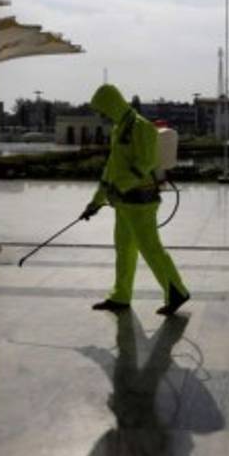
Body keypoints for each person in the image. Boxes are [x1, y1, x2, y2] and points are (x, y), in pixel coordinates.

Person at [82, 84, 189, 316]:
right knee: (124, 249)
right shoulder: (119, 129)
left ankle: (177, 291)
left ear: (113, 104)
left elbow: (146, 163)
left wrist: (119, 188)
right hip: (122, 203)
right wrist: (96, 201)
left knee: (150, 248)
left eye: (103, 110)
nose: (103, 115)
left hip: (142, 201)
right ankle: (121, 296)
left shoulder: (143, 128)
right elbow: (111, 168)